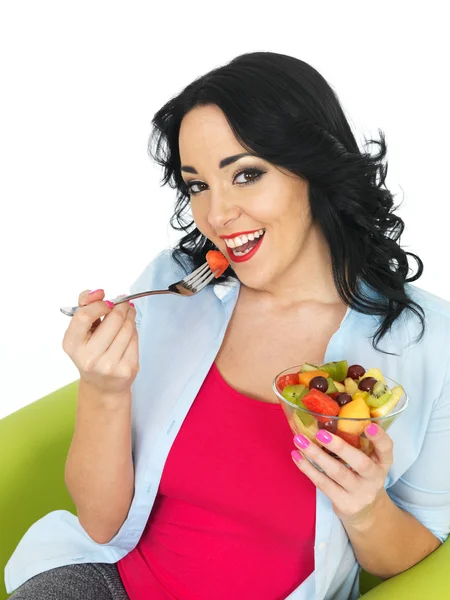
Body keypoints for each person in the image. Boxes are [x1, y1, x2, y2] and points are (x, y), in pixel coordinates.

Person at [5, 51, 450, 600]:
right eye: (197, 185)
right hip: (106, 580)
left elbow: (423, 556)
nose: (216, 215)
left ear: (312, 169)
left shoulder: (425, 340)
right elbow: (100, 524)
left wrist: (364, 508)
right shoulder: (175, 289)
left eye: (246, 174)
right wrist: (103, 389)